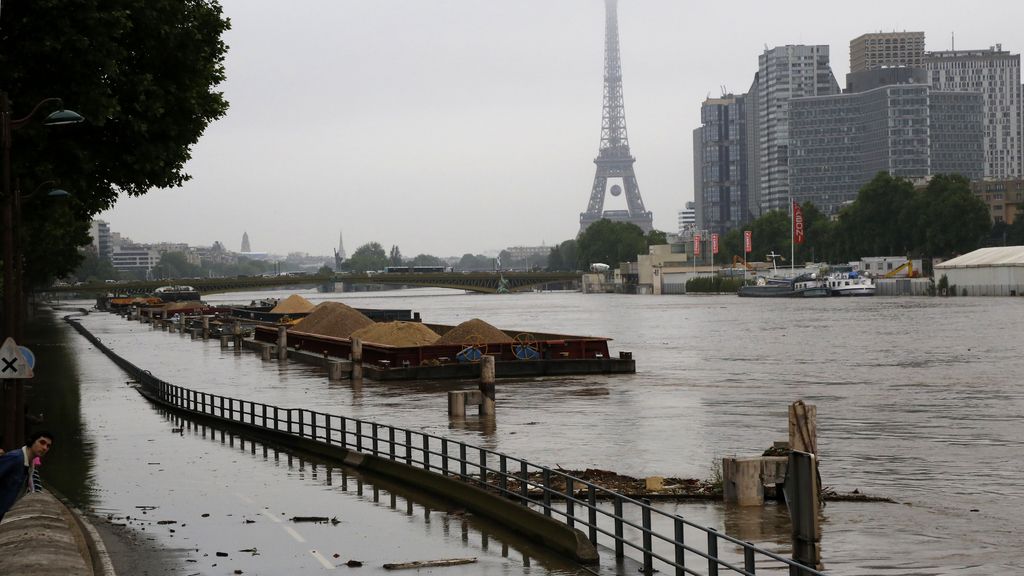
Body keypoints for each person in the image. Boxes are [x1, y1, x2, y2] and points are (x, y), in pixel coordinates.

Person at [0, 431, 53, 523]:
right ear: (31, 441)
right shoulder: (15, 458)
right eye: (42, 442)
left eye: (48, 446)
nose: (45, 448)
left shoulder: (30, 464)